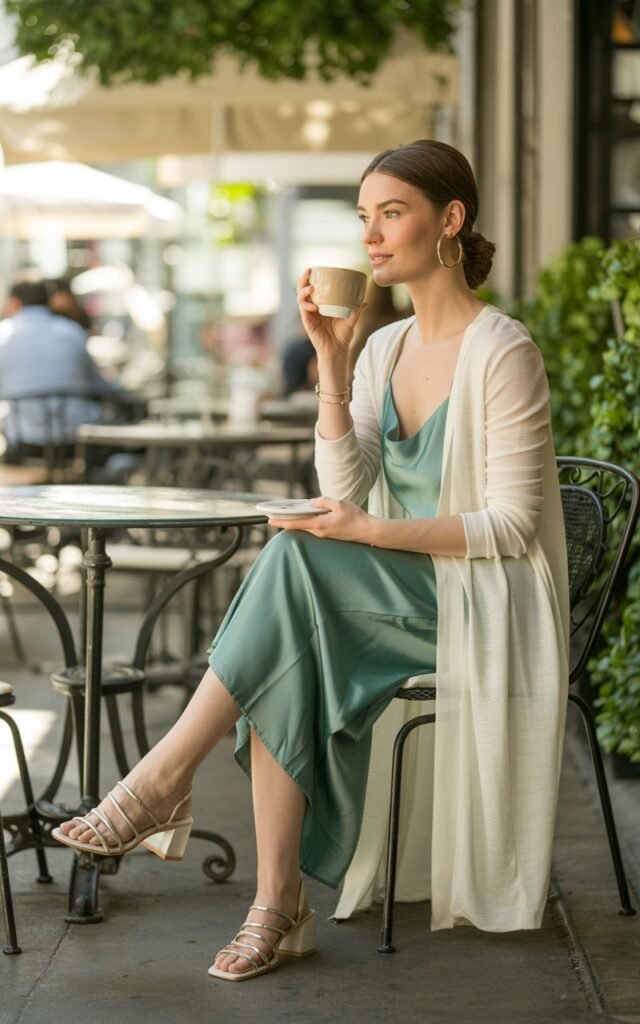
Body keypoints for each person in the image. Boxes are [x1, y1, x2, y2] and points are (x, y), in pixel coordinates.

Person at [53, 140, 569, 980]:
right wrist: (333, 363)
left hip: (482, 597)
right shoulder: (384, 348)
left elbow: (511, 527)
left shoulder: (503, 351)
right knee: (283, 635)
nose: (370, 236)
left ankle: (162, 789)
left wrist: (364, 534)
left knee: (294, 574)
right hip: (396, 589)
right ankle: (275, 903)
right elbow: (345, 480)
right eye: (363, 218)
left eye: (390, 213)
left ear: (451, 219)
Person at [0, 275, 121, 460]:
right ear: (50, 301)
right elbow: (101, 385)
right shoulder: (72, 331)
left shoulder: (4, 334)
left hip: (24, 444)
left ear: (15, 302)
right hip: (74, 442)